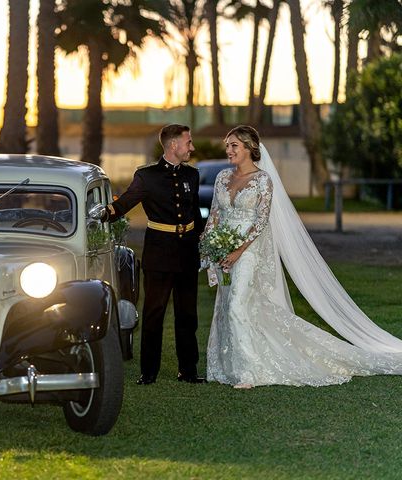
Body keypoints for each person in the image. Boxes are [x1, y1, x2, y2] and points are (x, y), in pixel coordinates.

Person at [204, 125, 402, 388]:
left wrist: (238, 250)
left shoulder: (263, 180)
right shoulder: (221, 178)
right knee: (228, 306)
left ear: (250, 148)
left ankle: (249, 372)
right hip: (222, 250)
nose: (228, 150)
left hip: (248, 251)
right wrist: (210, 246)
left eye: (234, 146)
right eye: (227, 145)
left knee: (238, 305)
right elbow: (215, 215)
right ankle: (229, 364)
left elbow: (262, 221)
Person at [104, 123, 205, 385]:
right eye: (188, 142)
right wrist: (102, 214)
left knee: (187, 315)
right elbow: (124, 203)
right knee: (153, 314)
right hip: (159, 254)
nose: (191, 147)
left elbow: (194, 214)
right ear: (173, 145)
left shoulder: (192, 175)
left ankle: (189, 371)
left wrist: (205, 241)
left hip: (187, 254)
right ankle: (148, 372)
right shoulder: (147, 176)